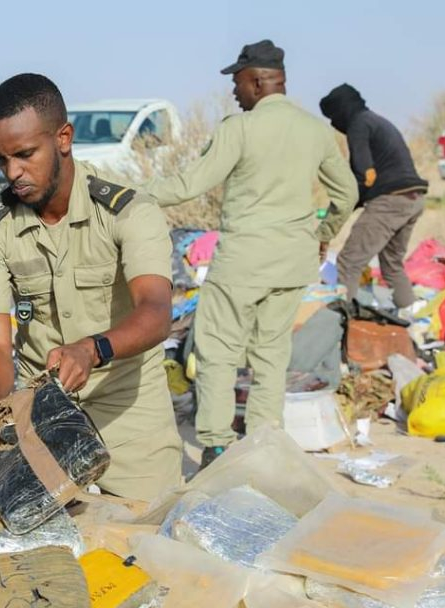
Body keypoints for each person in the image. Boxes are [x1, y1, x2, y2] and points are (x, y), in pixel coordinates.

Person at [0, 73, 182, 502]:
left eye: (24, 155)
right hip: (36, 405)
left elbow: (155, 314)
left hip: (125, 398)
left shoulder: (128, 211)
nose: (13, 173)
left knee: (149, 529)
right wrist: (1, 410)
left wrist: (92, 349)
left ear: (63, 138)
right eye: (2, 159)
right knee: (30, 532)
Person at [144, 40, 357, 469]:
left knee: (218, 351)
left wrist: (128, 193)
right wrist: (322, 234)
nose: (233, 92)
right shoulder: (315, 130)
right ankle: (264, 443)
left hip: (243, 260)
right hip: (293, 262)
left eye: (237, 82)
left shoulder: (239, 129)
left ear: (258, 81)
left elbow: (188, 185)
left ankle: (218, 446)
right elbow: (347, 194)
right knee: (272, 354)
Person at [320, 83, 428, 313]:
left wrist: (340, 209)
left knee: (349, 262)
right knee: (392, 266)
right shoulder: (377, 121)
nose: (334, 125)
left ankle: (339, 325)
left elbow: (365, 176)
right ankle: (417, 320)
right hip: (413, 199)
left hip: (390, 201)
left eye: (333, 118)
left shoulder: (358, 124)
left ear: (342, 111)